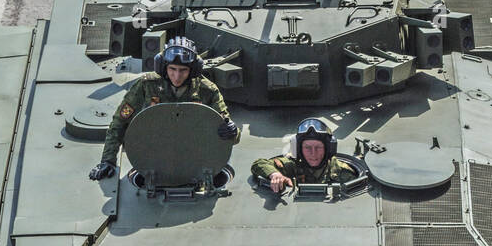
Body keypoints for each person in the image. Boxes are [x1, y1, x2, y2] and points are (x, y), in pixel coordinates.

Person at [89, 36, 239, 179]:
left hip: (194, 153)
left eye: (183, 70)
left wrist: (232, 131)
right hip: (154, 152)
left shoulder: (207, 91)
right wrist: (108, 160)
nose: (177, 76)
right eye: (172, 69)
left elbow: (229, 130)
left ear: (192, 70)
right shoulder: (147, 85)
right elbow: (119, 123)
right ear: (163, 67)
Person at [250, 118, 357, 192]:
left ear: (328, 149)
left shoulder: (342, 172)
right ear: (298, 149)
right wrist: (275, 175)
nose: (313, 153)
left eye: (318, 147)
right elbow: (259, 164)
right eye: (307, 147)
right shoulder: (293, 165)